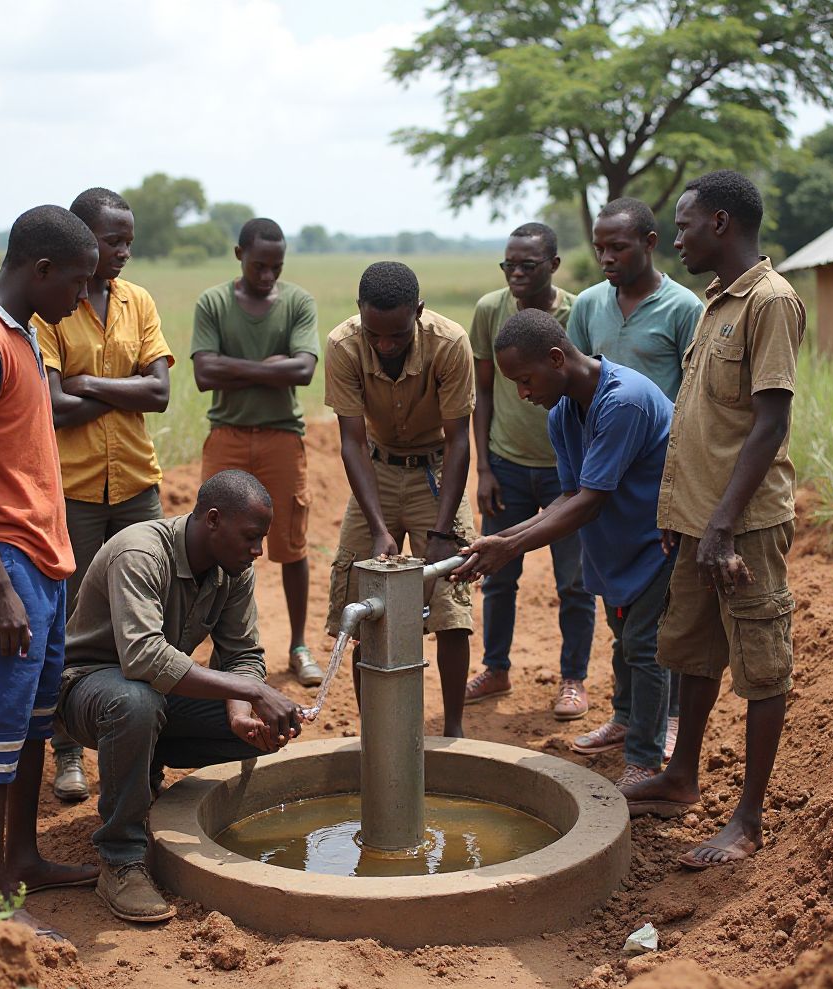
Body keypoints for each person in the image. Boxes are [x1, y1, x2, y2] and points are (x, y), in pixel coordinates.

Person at [622, 171, 805, 870]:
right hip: (701, 520)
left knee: (761, 667)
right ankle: (681, 775)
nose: (677, 238)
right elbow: (703, 422)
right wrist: (684, 515)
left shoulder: (771, 302)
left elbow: (769, 423)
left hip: (744, 525)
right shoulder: (713, 304)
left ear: (721, 224)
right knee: (692, 654)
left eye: (686, 225)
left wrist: (725, 524)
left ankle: (749, 819)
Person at [0, 205, 101, 926]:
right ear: (40, 270)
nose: (82, 299)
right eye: (76, 283)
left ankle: (23, 859)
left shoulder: (21, 335)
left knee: (30, 722)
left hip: (40, 560)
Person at [58, 470, 304, 923]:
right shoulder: (141, 552)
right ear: (213, 520)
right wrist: (250, 690)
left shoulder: (233, 569)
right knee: (134, 703)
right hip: (87, 687)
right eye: (251, 537)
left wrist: (238, 715)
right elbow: (142, 658)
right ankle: (120, 858)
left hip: (151, 690)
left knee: (261, 727)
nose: (258, 551)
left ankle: (143, 768)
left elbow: (243, 653)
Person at [453, 310, 676, 787]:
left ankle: (644, 757)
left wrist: (511, 549)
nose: (523, 394)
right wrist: (506, 536)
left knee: (645, 647)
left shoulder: (624, 402)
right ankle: (624, 718)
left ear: (556, 359)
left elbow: (590, 503)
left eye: (526, 380)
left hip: (658, 539)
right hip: (618, 545)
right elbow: (569, 494)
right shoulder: (562, 414)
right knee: (623, 641)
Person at [36, 186, 174, 804]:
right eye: (112, 240)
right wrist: (123, 386)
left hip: (137, 485)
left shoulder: (137, 301)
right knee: (72, 625)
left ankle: (147, 751)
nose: (123, 252)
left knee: (150, 613)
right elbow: (54, 409)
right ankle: (67, 752)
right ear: (83, 239)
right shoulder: (51, 309)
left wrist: (88, 380)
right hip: (77, 492)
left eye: (128, 241)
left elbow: (162, 392)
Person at [567, 196, 704, 759]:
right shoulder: (589, 306)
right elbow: (573, 381)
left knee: (656, 618)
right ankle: (627, 716)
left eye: (617, 246)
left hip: (659, 477)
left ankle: (663, 721)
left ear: (650, 243)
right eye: (599, 247)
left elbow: (695, 400)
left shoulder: (683, 308)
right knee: (620, 612)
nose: (605, 257)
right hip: (607, 481)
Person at [325, 261, 475, 736]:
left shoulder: (450, 344)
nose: (386, 346)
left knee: (452, 608)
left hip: (436, 474)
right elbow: (351, 441)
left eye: (397, 335)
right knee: (365, 605)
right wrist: (377, 528)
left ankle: (453, 732)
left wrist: (442, 530)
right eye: (376, 335)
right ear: (359, 315)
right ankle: (377, 737)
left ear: (419, 312)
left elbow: (459, 441)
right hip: (378, 471)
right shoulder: (343, 345)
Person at [468, 222, 596, 720]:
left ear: (554, 266)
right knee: (496, 572)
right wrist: (484, 469)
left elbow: (585, 379)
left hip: (567, 471)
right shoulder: (489, 311)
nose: (517, 274)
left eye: (529, 265)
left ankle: (573, 679)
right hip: (507, 463)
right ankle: (496, 668)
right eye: (509, 265)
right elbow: (482, 392)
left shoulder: (576, 311)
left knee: (575, 583)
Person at [192, 218, 323, 689]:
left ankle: (299, 646)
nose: (267, 275)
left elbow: (305, 370)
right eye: (258, 265)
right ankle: (216, 650)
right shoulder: (213, 302)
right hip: (226, 434)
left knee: (291, 545)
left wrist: (235, 368)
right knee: (213, 542)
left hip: (281, 437)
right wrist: (269, 368)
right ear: (238, 255)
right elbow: (204, 373)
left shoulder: (298, 302)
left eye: (276, 266)